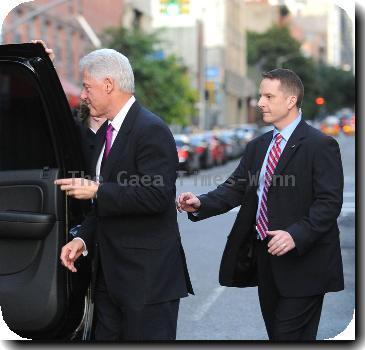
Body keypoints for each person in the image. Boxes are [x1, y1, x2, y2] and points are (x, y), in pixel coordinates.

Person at [177, 68, 344, 341]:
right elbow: (235, 189)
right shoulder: (259, 146)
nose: (260, 103)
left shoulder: (320, 145)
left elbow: (329, 203)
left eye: (268, 96)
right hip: (266, 262)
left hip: (306, 265)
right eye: (259, 95)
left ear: (290, 100)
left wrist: (296, 234)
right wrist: (200, 203)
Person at [55, 48, 193, 341]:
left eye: (87, 86)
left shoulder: (151, 129)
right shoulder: (107, 132)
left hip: (148, 283)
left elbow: (156, 195)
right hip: (110, 279)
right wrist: (83, 239)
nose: (83, 95)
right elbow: (104, 205)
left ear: (108, 85)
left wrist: (98, 189)